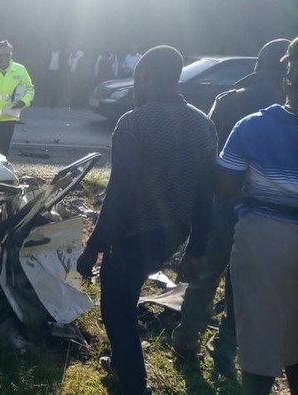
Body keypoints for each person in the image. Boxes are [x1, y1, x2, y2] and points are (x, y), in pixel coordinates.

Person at [77, 46, 217, 395]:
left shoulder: (133, 123)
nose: (136, 82)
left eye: (139, 75)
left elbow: (119, 193)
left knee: (115, 309)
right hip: (173, 234)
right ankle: (123, 362)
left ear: (149, 76)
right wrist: (196, 249)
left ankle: (136, 387)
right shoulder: (204, 124)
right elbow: (205, 195)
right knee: (128, 295)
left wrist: (93, 247)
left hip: (135, 232)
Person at [171, 38, 291, 377]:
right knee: (244, 286)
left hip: (224, 204)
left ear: (258, 64)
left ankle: (187, 341)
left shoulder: (232, 103)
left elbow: (206, 158)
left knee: (207, 274)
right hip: (267, 217)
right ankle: (225, 353)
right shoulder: (287, 105)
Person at [215, 37, 298, 395]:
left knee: (260, 336)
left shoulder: (252, 126)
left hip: (264, 237)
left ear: (286, 83)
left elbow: (226, 186)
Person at [42, 40, 67, 107]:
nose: (55, 46)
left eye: (57, 45)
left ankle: (53, 104)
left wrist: (61, 72)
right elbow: (44, 62)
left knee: (55, 88)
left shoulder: (61, 54)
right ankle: (44, 103)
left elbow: (63, 64)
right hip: (49, 72)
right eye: (54, 45)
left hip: (57, 73)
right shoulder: (48, 53)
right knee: (47, 87)